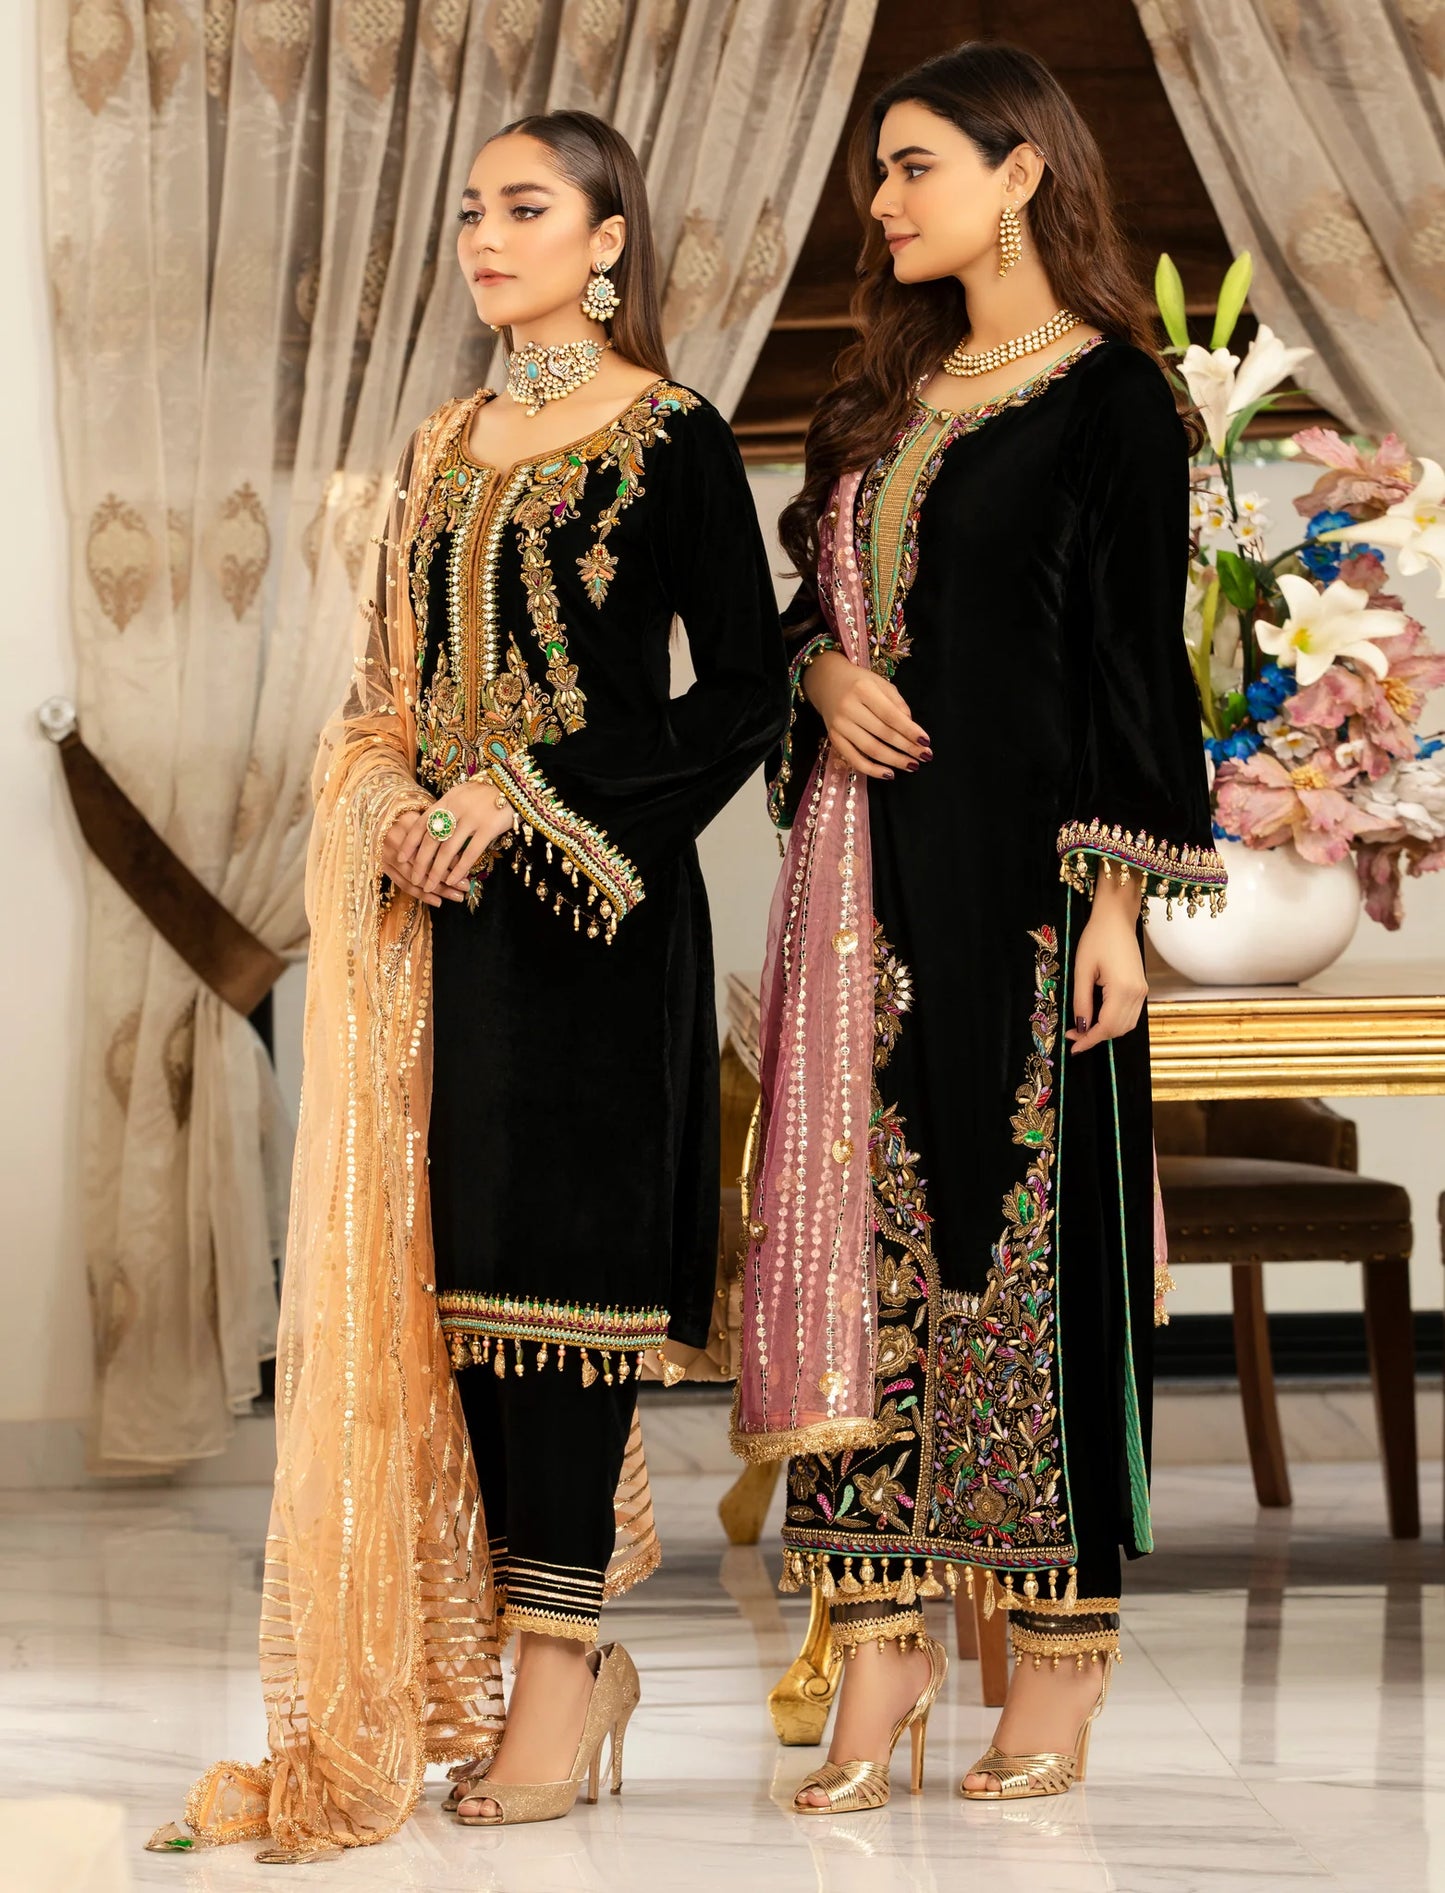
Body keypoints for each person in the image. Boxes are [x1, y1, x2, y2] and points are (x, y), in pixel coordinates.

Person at [149, 109, 786, 1864]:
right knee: (449, 1307)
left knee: (552, 1304)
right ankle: (542, 1665)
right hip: (435, 934)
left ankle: (559, 1676)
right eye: (468, 211)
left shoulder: (670, 437)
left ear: (606, 238)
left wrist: (526, 795)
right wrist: (392, 809)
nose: (486, 237)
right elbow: (386, 691)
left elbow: (742, 695)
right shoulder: (441, 442)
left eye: (524, 207)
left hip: (590, 929)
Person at [732, 42, 1223, 1814]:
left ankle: (1057, 1663)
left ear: (1021, 172)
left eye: (914, 165)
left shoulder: (1110, 401)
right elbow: (803, 616)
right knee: (856, 1261)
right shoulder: (880, 399)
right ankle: (880, 1653)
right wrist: (821, 675)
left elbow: (1132, 668)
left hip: (1027, 895)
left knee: (1027, 1263)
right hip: (859, 893)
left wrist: (1118, 909)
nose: (882, 200)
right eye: (879, 169)